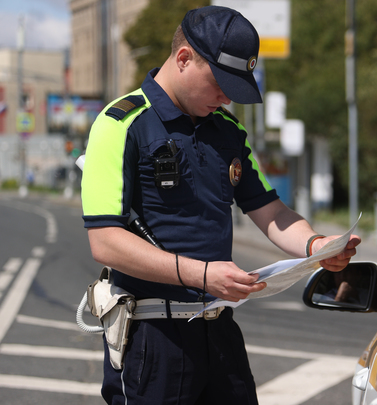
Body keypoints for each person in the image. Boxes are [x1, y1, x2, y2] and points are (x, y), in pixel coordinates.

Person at [80, 6, 361, 404]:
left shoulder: (229, 132)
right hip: (152, 338)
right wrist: (202, 274)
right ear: (183, 59)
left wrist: (317, 247)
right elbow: (105, 241)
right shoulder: (120, 124)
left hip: (219, 331)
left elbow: (272, 212)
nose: (227, 96)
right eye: (220, 82)